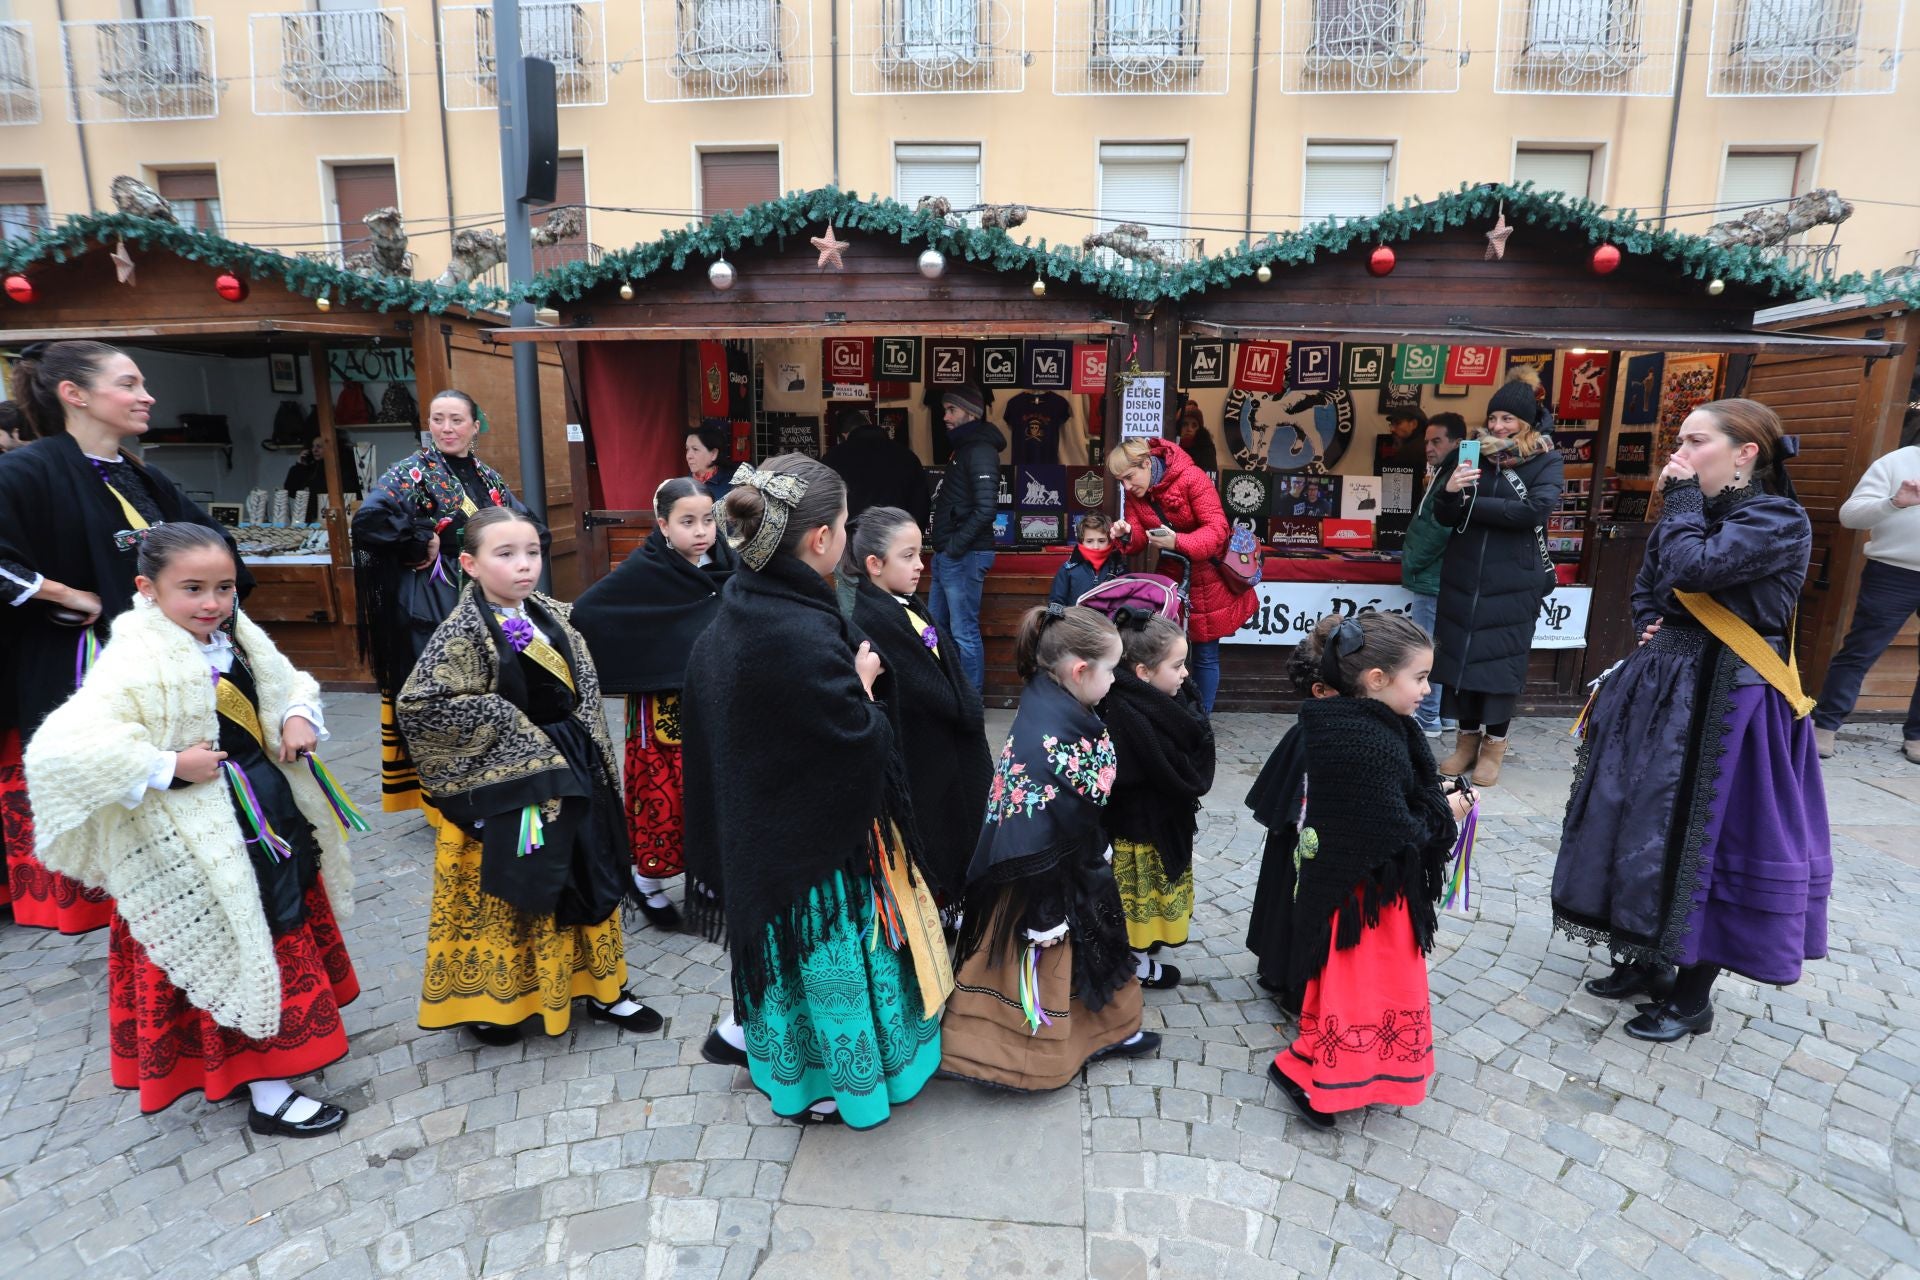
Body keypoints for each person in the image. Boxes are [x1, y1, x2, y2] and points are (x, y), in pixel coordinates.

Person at [25, 523, 359, 1136]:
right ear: (147, 589)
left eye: (224, 587)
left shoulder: (234, 635)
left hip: (264, 820)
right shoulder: (133, 657)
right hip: (196, 845)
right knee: (233, 945)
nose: (211, 603)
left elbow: (289, 682)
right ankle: (267, 1090)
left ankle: (270, 1065)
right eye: (193, 589)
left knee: (272, 930)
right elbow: (60, 752)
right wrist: (166, 767)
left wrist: (294, 715)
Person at [681, 457, 950, 1128]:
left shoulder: (747, 603)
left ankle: (795, 1069)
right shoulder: (794, 629)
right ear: (822, 542)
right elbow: (853, 738)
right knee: (825, 970)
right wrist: (860, 687)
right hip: (812, 856)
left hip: (770, 835)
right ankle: (837, 1088)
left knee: (793, 974)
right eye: (839, 522)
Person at [1553, 399, 1831, 1044]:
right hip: (1662, 692)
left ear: (1745, 453)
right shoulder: (1690, 515)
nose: (1679, 454)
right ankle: (1646, 960)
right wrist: (1649, 619)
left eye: (1695, 441)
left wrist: (1677, 505)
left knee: (1710, 836)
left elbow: (1696, 567)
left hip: (1733, 705)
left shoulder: (1777, 518)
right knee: (1642, 822)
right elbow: (1652, 582)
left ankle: (1692, 996)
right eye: (1679, 440)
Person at [0, 340, 249, 933]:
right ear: (75, 394)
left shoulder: (143, 474)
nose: (148, 396)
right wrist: (59, 593)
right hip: (84, 669)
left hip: (171, 668)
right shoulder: (24, 470)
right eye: (131, 384)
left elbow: (216, 545)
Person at [397, 507, 659, 1046]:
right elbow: (423, 706)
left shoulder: (548, 614)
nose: (524, 566)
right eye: (506, 554)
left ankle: (605, 989)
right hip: (512, 783)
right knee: (515, 890)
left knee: (586, 868)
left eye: (532, 553)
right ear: (469, 563)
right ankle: (498, 1003)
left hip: (572, 767)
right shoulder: (461, 634)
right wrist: (521, 739)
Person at [1261, 612, 1468, 1129]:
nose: (1427, 689)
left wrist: (1432, 799)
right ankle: (1320, 1079)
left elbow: (1394, 803)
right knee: (1356, 993)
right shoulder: (1362, 741)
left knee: (1371, 992)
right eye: (1419, 677)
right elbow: (1398, 831)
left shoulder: (1377, 724)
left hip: (1375, 890)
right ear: (1376, 680)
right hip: (1361, 896)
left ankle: (1339, 1065)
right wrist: (1450, 813)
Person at [941, 605, 1158, 1092]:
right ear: (1080, 671)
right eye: (1113, 670)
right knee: (1047, 963)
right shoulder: (1051, 734)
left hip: (1072, 858)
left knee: (1094, 946)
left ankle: (1108, 1032)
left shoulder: (1053, 699)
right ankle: (1019, 1061)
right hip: (1041, 877)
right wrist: (1044, 910)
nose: (1116, 681)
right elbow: (1035, 824)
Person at [351, 390, 546, 836]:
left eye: (456, 419)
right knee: (444, 696)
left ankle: (493, 782)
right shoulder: (409, 474)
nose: (447, 428)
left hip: (486, 598)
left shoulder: (486, 476)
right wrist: (420, 538)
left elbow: (527, 522)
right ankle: (447, 798)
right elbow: (369, 521)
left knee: (492, 688)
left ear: (476, 425)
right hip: (433, 602)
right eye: (438, 419)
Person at [572, 478, 737, 931]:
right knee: (661, 795)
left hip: (711, 702)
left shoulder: (726, 563)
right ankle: (647, 882)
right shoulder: (645, 569)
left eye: (708, 520)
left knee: (712, 790)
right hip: (658, 711)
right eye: (687, 522)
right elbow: (587, 612)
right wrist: (641, 664)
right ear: (664, 525)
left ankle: (706, 877)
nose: (701, 531)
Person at [845, 506, 992, 905]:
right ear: (875, 564)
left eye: (919, 553)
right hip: (925, 750)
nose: (920, 565)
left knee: (956, 824)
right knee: (940, 828)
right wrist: (967, 707)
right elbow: (927, 686)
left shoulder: (901, 601)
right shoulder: (875, 617)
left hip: (943, 744)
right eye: (907, 556)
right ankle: (946, 902)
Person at [1429, 377, 1565, 785]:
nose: (1499, 425)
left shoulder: (1546, 459)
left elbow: (1535, 511)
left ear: (1526, 422)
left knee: (1501, 664)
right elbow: (1445, 517)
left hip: (1515, 578)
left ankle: (1495, 746)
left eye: (1508, 418)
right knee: (1462, 660)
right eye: (1494, 417)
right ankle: (1466, 743)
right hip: (1465, 575)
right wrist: (1451, 493)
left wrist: (1475, 505)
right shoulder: (1470, 454)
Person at [1100, 611, 1215, 989]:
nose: (1186, 674)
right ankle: (1135, 962)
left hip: (1162, 823)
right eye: (1178, 665)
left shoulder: (1173, 702)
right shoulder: (1123, 715)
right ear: (1143, 673)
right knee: (1135, 901)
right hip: (1138, 829)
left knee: (1155, 894)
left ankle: (1147, 943)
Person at [1107, 437, 1258, 715]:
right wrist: (1127, 533)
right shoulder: (1135, 492)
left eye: (1129, 477)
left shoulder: (1192, 478)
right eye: (1121, 481)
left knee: (1205, 654)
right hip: (1172, 577)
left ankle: (1201, 718)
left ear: (1147, 463)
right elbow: (1139, 538)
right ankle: (1169, 712)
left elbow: (1217, 532)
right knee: (1164, 647)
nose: (1127, 487)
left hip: (1210, 577)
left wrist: (1176, 542)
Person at [1244, 616, 1341, 1006]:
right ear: (1321, 690)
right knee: (1291, 883)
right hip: (1306, 838)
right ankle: (1287, 972)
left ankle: (1282, 967)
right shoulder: (1315, 739)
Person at [1811, 434, 1920, 765]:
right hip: (1894, 573)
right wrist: (1894, 502)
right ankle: (1825, 725)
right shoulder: (1896, 462)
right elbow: (1850, 515)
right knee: (1860, 651)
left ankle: (1916, 734)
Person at [927, 384, 1003, 692]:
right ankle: (944, 694)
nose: (944, 416)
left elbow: (987, 510)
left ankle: (969, 702)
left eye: (951, 410)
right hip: (951, 554)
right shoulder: (966, 447)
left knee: (963, 632)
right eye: (945, 409)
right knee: (933, 628)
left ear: (971, 413)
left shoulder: (981, 450)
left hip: (964, 555)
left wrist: (954, 548)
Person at [1402, 412, 1466, 737]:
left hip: (1431, 575)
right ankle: (1443, 715)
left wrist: (1412, 561)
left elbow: (1438, 530)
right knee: (1441, 644)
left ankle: (1428, 718)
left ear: (1456, 442)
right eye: (1426, 440)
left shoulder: (1453, 475)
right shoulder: (1448, 472)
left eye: (1436, 441)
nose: (1428, 447)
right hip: (1440, 575)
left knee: (1426, 647)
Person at [823, 407, 930, 528]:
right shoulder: (907, 456)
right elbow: (921, 506)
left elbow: (824, 506)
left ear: (844, 435)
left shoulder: (833, 458)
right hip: (895, 537)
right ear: (869, 424)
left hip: (850, 540)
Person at [1048, 512, 1128, 606]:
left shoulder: (1119, 568)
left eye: (1101, 541)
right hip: (1076, 619)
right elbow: (1056, 603)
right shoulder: (1068, 570)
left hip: (1108, 620)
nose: (1095, 547)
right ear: (1081, 541)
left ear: (1110, 541)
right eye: (1089, 541)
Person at [686, 423, 733, 505]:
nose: (688, 456)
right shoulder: (683, 485)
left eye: (695, 449)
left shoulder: (731, 486)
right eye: (687, 449)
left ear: (713, 454)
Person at [1174, 401, 1218, 474]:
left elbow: (1210, 479)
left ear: (1199, 429)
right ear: (1178, 427)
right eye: (1185, 424)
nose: (1189, 429)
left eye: (1194, 425)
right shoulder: (1170, 447)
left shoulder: (1207, 449)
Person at [1383, 406, 1429, 473]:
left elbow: (1396, 482)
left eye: (1397, 423)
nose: (1392, 429)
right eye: (1392, 424)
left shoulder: (1409, 451)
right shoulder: (1430, 444)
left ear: (1414, 424)